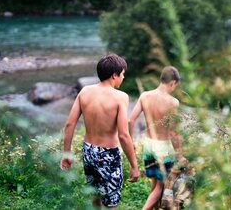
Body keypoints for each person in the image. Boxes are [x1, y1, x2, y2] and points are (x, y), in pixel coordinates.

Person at [60, 54, 139, 210]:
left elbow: (70, 124)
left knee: (95, 196)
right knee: (111, 203)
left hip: (88, 150)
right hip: (108, 155)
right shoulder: (120, 97)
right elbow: (123, 135)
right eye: (122, 74)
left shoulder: (84, 92)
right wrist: (134, 166)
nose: (123, 78)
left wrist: (66, 153)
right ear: (114, 75)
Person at [129, 66, 186, 210]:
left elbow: (130, 120)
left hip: (148, 144)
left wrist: (131, 141)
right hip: (164, 149)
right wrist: (180, 156)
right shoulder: (173, 102)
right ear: (172, 83)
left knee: (154, 184)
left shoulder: (145, 96)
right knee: (161, 187)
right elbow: (173, 133)